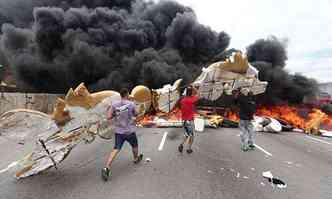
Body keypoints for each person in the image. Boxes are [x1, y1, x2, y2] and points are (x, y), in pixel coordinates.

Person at [101, 88, 143, 181]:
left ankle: (106, 167)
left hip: (119, 132)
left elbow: (108, 117)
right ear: (127, 95)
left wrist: (115, 114)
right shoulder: (131, 104)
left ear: (120, 95)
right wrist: (135, 111)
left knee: (116, 149)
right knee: (135, 145)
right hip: (129, 131)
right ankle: (136, 159)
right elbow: (136, 114)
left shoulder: (114, 104)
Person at [178, 85, 199, 154]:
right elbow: (198, 94)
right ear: (191, 93)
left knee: (186, 134)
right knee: (192, 135)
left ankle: (181, 145)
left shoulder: (182, 100)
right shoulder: (192, 99)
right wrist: (193, 87)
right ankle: (189, 149)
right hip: (189, 121)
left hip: (184, 120)